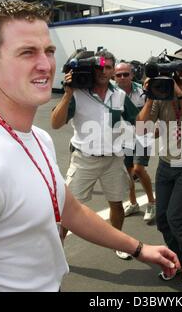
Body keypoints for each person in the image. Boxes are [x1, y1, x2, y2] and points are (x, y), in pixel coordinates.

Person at [0, 1, 180, 292]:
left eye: (49, 51)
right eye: (27, 52)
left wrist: (139, 248)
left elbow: (72, 211)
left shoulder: (38, 138)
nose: (45, 64)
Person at [51, 49, 141, 260]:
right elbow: (55, 123)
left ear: (112, 70)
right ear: (92, 67)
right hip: (85, 159)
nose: (103, 71)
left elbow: (136, 120)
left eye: (108, 67)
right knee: (67, 209)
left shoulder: (119, 95)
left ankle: (118, 242)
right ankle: (56, 252)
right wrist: (67, 93)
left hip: (113, 160)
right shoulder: (78, 93)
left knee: (116, 203)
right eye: (99, 66)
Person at [137, 47, 182, 285]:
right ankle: (179, 258)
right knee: (162, 218)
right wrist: (151, 95)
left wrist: (179, 94)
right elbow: (142, 127)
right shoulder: (161, 89)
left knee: (178, 217)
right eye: (177, 64)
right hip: (167, 161)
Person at [114, 61, 156, 223]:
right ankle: (133, 203)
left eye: (126, 74)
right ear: (114, 77)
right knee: (127, 171)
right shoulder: (110, 93)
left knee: (138, 169)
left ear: (132, 74)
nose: (123, 77)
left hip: (142, 135)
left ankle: (152, 203)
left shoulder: (143, 91)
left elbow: (152, 112)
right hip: (122, 137)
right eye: (119, 75)